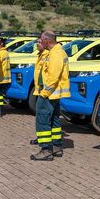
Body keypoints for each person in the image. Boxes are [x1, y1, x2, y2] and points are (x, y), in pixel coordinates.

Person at [31, 31, 70, 161]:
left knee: (43, 121)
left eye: (41, 40)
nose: (40, 43)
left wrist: (44, 93)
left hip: (49, 93)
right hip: (53, 93)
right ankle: (57, 147)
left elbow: (53, 77)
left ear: (47, 41)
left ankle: (46, 150)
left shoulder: (56, 53)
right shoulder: (56, 52)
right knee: (54, 119)